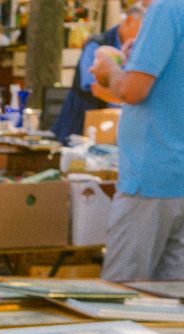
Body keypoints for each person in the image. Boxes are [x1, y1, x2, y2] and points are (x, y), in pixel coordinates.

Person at [94, 0, 184, 281]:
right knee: (171, 303)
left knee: (122, 292)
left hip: (152, 173)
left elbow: (133, 91)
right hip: (174, 172)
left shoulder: (166, 8)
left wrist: (110, 71)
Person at [52, 5, 144, 142]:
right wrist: (131, 98)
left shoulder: (134, 50)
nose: (145, 34)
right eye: (143, 28)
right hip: (80, 126)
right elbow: (96, 89)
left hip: (112, 129)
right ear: (129, 21)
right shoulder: (97, 45)